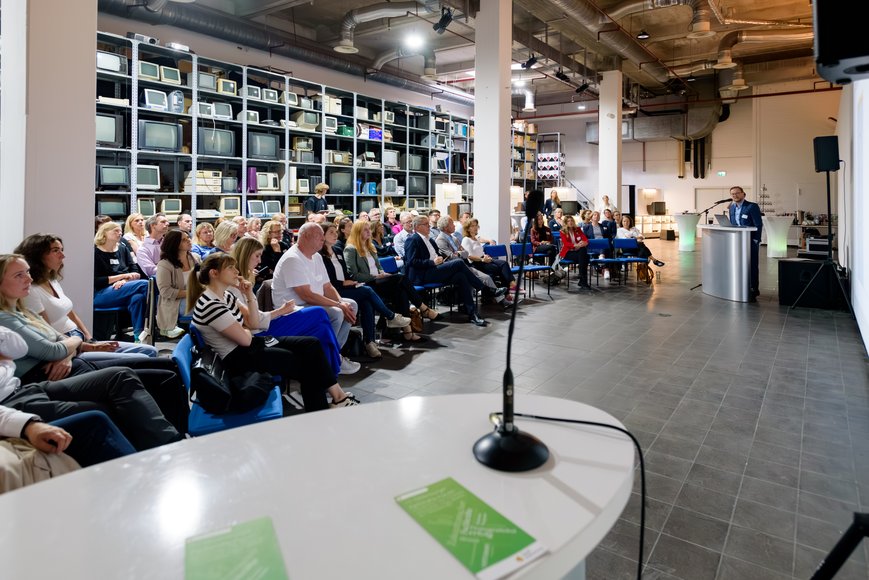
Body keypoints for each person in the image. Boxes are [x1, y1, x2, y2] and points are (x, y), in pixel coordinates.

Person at [189, 253, 359, 409]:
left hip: (249, 346)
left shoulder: (226, 296)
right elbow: (245, 340)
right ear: (214, 273)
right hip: (237, 357)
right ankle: (325, 406)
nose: (236, 271)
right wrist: (245, 328)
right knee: (305, 361)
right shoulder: (210, 304)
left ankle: (337, 398)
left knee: (311, 344)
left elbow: (254, 323)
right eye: (230, 268)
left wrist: (249, 295)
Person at [0, 313, 181, 450]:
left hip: (39, 381)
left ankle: (172, 442)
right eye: (18, 276)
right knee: (104, 407)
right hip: (28, 388)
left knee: (133, 374)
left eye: (27, 275)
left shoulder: (21, 311)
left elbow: (52, 343)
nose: (28, 279)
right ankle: (166, 448)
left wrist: (74, 343)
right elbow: (52, 350)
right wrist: (74, 342)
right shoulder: (6, 317)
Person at [15, 233, 157, 359]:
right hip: (68, 343)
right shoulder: (30, 290)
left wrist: (90, 339)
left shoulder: (52, 281)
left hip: (78, 337)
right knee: (144, 285)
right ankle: (160, 321)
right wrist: (84, 346)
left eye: (62, 250)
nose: (62, 256)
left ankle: (146, 330)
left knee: (149, 349)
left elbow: (71, 313)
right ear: (37, 255)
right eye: (55, 250)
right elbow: (48, 333)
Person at [230, 238, 343, 375]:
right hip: (258, 333)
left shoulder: (243, 280)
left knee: (321, 329)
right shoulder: (234, 286)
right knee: (319, 312)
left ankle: (330, 373)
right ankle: (336, 363)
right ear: (246, 255)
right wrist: (281, 311)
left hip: (263, 325)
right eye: (257, 256)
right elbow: (253, 322)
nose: (259, 261)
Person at [271, 223, 361, 375]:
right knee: (336, 312)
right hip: (293, 310)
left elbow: (327, 286)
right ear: (305, 237)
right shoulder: (292, 259)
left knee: (351, 305)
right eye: (318, 235)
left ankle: (333, 354)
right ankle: (328, 359)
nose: (322, 238)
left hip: (310, 303)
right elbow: (306, 295)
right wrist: (339, 305)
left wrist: (342, 302)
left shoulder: (317, 256)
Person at [319, 224, 415, 356]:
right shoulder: (320, 255)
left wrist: (351, 282)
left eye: (335, 232)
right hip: (334, 290)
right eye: (331, 232)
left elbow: (346, 273)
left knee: (368, 301)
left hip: (348, 286)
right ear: (322, 235)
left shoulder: (337, 251)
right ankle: (391, 317)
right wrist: (344, 282)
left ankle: (369, 342)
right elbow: (325, 281)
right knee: (369, 290)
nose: (335, 234)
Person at [344, 220, 439, 322]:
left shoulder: (370, 247)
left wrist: (382, 273)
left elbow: (378, 266)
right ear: (358, 232)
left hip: (379, 280)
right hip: (367, 283)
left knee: (401, 290)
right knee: (401, 278)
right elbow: (354, 275)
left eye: (369, 229)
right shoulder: (351, 249)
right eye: (365, 230)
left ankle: (407, 327)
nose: (369, 232)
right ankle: (423, 309)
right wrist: (375, 276)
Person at [404, 216, 488, 326]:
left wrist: (441, 259)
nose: (429, 226)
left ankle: (472, 314)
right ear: (418, 227)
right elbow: (412, 261)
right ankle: (483, 288)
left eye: (428, 224)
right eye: (426, 224)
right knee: (458, 262)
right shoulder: (412, 240)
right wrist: (432, 262)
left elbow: (439, 254)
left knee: (461, 276)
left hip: (436, 269)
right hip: (423, 274)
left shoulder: (430, 240)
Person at [92, 221, 149, 341]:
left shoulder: (123, 249)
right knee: (146, 284)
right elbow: (96, 281)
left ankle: (138, 337)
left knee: (138, 298)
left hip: (123, 288)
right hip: (101, 294)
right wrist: (122, 276)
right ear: (104, 233)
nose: (120, 233)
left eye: (120, 231)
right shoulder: (95, 252)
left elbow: (135, 271)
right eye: (116, 231)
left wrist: (124, 281)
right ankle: (164, 323)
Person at [156, 230, 199, 338]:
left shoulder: (194, 258)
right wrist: (192, 293)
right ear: (175, 244)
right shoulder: (165, 264)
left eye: (188, 238)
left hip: (195, 297)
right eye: (184, 240)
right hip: (175, 303)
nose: (189, 241)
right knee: (206, 306)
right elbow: (166, 291)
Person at [461, 218, 519, 296]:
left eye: (476, 225)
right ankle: (508, 291)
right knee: (499, 268)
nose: (475, 227)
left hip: (483, 259)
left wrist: (485, 255)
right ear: (468, 229)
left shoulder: (475, 238)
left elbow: (479, 249)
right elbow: (469, 256)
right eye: (472, 226)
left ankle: (511, 286)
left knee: (504, 263)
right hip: (476, 263)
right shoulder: (466, 240)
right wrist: (482, 259)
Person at [728, 185, 763, 301]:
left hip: (750, 240)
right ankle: (739, 286)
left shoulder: (752, 206)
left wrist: (756, 239)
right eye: (733, 194)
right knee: (737, 264)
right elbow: (732, 224)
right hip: (737, 240)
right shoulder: (731, 207)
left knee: (751, 264)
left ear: (743, 194)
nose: (735, 195)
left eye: (737, 193)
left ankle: (753, 289)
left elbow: (758, 224)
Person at [557, 215, 591, 289]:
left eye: (572, 220)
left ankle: (583, 281)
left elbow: (585, 238)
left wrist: (585, 243)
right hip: (568, 253)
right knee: (585, 257)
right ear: (566, 223)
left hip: (578, 252)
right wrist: (576, 245)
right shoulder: (562, 231)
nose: (570, 222)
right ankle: (583, 281)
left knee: (583, 252)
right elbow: (566, 244)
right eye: (568, 221)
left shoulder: (578, 229)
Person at [136, 213, 170, 278]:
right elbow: (151, 271)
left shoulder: (170, 244)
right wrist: (171, 270)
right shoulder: (142, 249)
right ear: (153, 225)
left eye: (167, 222)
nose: (167, 224)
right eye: (163, 222)